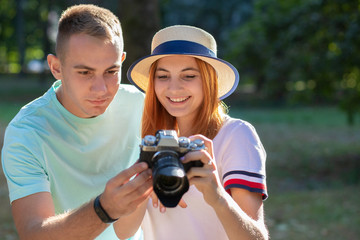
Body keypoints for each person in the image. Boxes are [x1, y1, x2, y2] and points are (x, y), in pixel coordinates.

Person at [1, 4, 153, 240]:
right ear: (56, 67)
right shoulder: (27, 133)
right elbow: (33, 233)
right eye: (85, 73)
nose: (101, 89)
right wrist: (104, 209)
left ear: (122, 60)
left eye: (111, 71)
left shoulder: (141, 105)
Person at [122, 25, 269, 240]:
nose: (173, 88)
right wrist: (142, 186)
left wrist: (217, 196)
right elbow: (123, 232)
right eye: (163, 76)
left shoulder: (236, 135)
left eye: (188, 76)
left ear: (209, 81)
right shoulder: (153, 142)